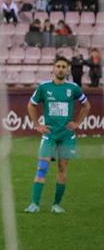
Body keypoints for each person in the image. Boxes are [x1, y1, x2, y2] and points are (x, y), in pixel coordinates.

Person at [24, 56, 91, 214]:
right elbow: (31, 105)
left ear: (67, 70)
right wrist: (37, 125)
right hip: (49, 135)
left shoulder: (73, 88)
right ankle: (34, 204)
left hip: (67, 136)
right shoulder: (44, 87)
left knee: (62, 168)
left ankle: (56, 204)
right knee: (42, 168)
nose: (61, 69)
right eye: (58, 66)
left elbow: (86, 105)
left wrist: (77, 123)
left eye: (63, 67)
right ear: (53, 69)